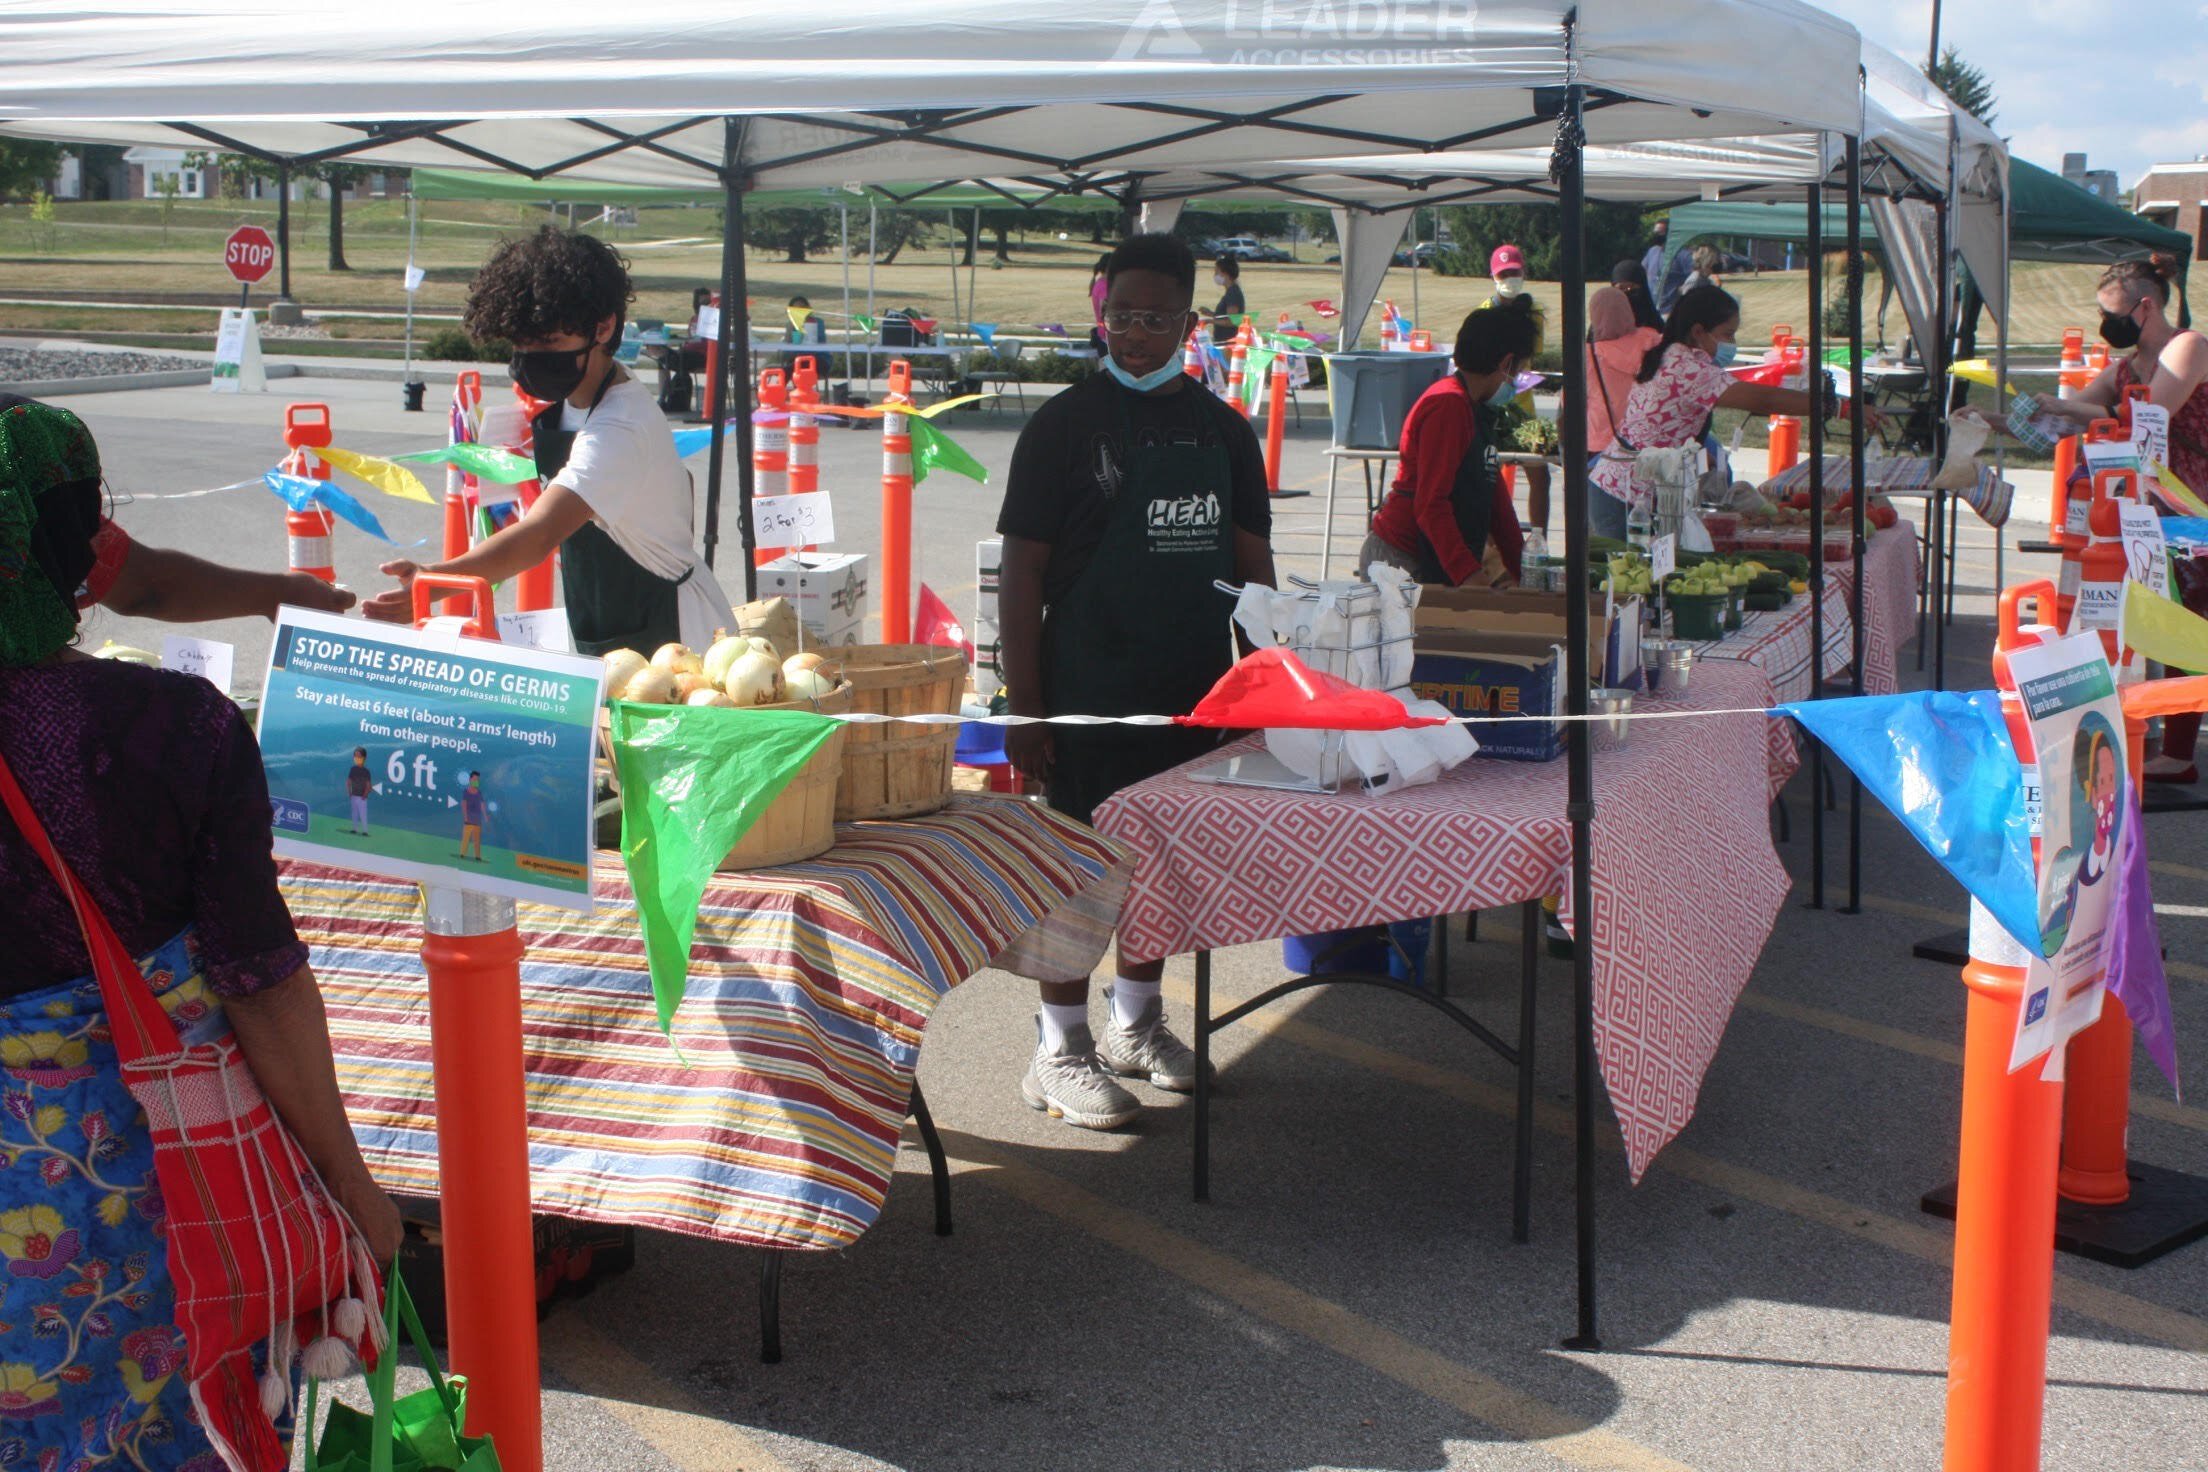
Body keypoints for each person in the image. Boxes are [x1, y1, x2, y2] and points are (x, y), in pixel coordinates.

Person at [0, 398, 400, 1471]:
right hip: (126, 1216)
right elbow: (260, 983)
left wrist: (286, 593)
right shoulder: (171, 731)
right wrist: (352, 1186)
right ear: (74, 547)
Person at [997, 232, 1275, 1129]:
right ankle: (1060, 1047)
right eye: (1121, 315)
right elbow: (1021, 576)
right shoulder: (1062, 428)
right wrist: (1025, 708)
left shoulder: (1224, 432)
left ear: (1190, 322)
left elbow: (1254, 572)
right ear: (1100, 311)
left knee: (1162, 870)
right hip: (1084, 689)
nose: (1136, 334)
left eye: (1155, 319)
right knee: (1078, 876)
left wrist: (1258, 689)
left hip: (1191, 692)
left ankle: (1136, 1024)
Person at [365, 227, 736, 656]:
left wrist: (436, 579)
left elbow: (539, 534)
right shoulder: (574, 403)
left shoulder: (621, 424)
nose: (533, 360)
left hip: (677, 633)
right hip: (610, 622)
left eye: (549, 343)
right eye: (521, 345)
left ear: (603, 327)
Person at [2030, 255, 2208, 780]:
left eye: (2113, 314)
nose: (2108, 326)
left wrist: (2066, 408)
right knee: (2145, 624)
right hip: (2143, 514)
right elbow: (2069, 412)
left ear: (2145, 306)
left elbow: (2151, 411)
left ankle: (2178, 755)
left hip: (2193, 514)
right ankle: (2150, 734)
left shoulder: (2189, 347)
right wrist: (2001, 416)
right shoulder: (2124, 368)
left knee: (2188, 628)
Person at [1592, 285, 1874, 540]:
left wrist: (1695, 452)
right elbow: (1761, 398)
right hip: (1626, 494)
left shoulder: (1674, 355)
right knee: (1627, 585)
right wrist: (1837, 406)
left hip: (1629, 486)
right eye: (1728, 334)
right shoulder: (1689, 368)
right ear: (1698, 331)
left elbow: (1667, 419)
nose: (1732, 343)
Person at [1360, 296, 1540, 587]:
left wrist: (1527, 575)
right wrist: (1469, 576)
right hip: (1400, 560)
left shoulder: (1477, 408)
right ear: (1506, 363)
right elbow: (1431, 505)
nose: (1517, 381)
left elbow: (1496, 502)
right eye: (1518, 372)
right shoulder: (1448, 407)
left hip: (1434, 555)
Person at [1585, 285, 1662, 470]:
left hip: (1600, 446)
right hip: (1645, 443)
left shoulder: (1588, 355)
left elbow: (1569, 406)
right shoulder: (1653, 340)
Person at [1610, 258, 1666, 332]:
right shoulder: (1604, 329)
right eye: (1622, 288)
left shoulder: (1656, 327)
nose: (1627, 292)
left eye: (1631, 287)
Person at [1211, 254, 1247, 344]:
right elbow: (1226, 315)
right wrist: (1211, 314)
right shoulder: (1231, 291)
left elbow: (1232, 321)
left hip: (1228, 342)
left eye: (1216, 272)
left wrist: (1210, 321)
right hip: (1223, 340)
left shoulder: (1233, 293)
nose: (1215, 275)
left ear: (1225, 273)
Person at [346, 746, 375, 835]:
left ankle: (365, 831)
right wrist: (349, 792)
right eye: (355, 756)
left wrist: (365, 794)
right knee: (354, 813)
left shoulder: (366, 771)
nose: (357, 758)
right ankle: (354, 829)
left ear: (364, 758)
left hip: (362, 797)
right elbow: (349, 781)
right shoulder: (353, 769)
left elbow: (368, 785)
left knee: (363, 814)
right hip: (354, 795)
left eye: (359, 756)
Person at [1641, 219, 1669, 308]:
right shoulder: (1652, 251)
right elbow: (1641, 270)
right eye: (1655, 232)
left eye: (1660, 232)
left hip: (1669, 307)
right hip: (1652, 303)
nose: (1656, 235)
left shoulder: (1679, 254)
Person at [459, 770, 486, 860]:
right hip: (468, 820)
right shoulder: (466, 792)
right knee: (466, 838)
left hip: (477, 820)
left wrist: (485, 816)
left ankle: (477, 856)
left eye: (478, 780)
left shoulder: (479, 793)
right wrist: (465, 817)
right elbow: (464, 804)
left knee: (477, 840)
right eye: (474, 779)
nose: (476, 781)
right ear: (470, 780)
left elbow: (482, 805)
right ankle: (462, 854)